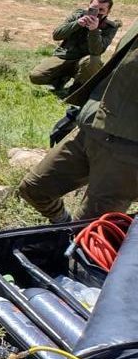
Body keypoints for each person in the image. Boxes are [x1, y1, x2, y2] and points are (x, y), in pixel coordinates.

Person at [19, 18, 138, 223]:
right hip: (92, 125)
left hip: (127, 151)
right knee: (35, 189)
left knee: (88, 235)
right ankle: (62, 230)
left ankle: (75, 246)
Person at [29, 0, 120, 92]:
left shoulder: (110, 27)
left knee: (93, 61)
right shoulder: (78, 15)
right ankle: (59, 80)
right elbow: (56, 35)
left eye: (101, 10)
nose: (97, 12)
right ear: (88, 6)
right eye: (94, 8)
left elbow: (97, 51)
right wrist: (77, 24)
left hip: (84, 63)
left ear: (108, 12)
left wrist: (94, 30)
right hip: (64, 57)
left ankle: (76, 90)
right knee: (36, 76)